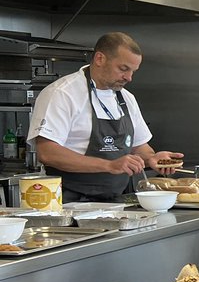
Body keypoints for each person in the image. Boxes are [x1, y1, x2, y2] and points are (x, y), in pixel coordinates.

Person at [28, 32, 183, 203]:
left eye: (133, 71)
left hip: (115, 201)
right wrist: (109, 165)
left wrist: (152, 159)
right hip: (67, 201)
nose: (129, 77)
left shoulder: (126, 98)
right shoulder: (62, 93)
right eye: (123, 69)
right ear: (100, 59)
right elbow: (47, 153)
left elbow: (139, 146)